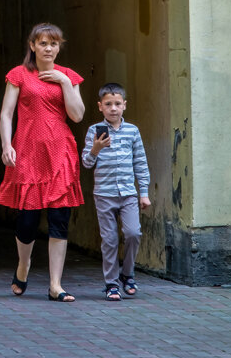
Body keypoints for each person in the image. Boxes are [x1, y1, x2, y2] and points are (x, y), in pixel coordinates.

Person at [0, 23, 86, 302]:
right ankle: (24, 265)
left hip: (60, 153)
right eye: (43, 43)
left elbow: (78, 115)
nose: (49, 48)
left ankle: (55, 284)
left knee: (59, 219)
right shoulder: (19, 75)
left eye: (54, 44)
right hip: (28, 152)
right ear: (32, 45)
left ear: (60, 47)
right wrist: (6, 144)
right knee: (27, 221)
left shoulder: (68, 76)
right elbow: (6, 114)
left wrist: (62, 82)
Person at [81, 82, 151, 301]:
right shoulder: (95, 131)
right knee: (109, 240)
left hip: (128, 193)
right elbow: (86, 162)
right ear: (100, 106)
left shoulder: (133, 131)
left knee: (133, 233)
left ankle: (127, 274)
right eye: (108, 104)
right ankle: (111, 283)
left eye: (117, 104)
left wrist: (144, 192)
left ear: (124, 105)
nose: (113, 108)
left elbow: (140, 161)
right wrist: (96, 148)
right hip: (104, 194)